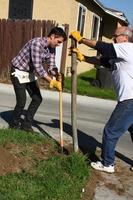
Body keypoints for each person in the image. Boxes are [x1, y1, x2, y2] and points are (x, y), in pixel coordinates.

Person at [70, 26, 133, 173]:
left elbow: (104, 48)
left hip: (129, 100)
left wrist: (81, 39)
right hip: (130, 99)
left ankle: (107, 164)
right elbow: (103, 61)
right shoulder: (122, 54)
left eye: (115, 35)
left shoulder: (128, 48)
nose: (113, 38)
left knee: (110, 131)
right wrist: (83, 58)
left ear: (125, 37)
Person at [10, 26, 67, 132]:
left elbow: (51, 65)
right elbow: (38, 68)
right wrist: (52, 82)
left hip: (28, 73)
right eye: (58, 42)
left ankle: (26, 125)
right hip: (18, 72)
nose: (59, 45)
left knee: (37, 98)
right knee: (22, 101)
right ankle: (13, 125)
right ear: (53, 36)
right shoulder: (36, 43)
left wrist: (56, 74)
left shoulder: (51, 48)